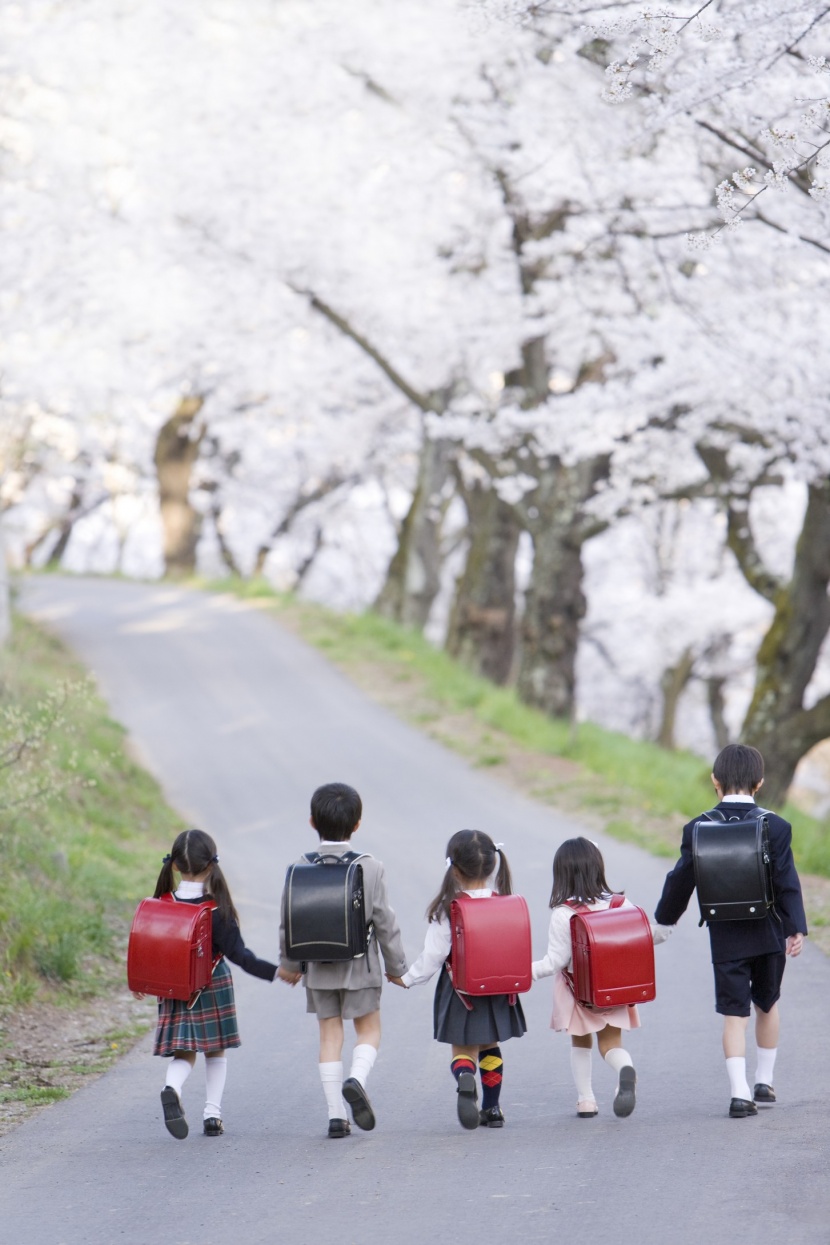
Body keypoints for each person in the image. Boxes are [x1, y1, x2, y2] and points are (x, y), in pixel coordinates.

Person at [654, 743, 807, 1118]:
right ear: (760, 783)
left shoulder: (698, 827)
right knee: (767, 1004)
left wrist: (665, 920)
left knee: (734, 1014)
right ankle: (764, 1081)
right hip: (769, 932)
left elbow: (680, 881)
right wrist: (795, 928)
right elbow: (788, 881)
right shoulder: (777, 826)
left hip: (725, 937)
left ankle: (740, 1093)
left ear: (715, 781)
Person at [277, 782, 407, 1139]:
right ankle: (357, 1078)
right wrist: (397, 968)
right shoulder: (370, 867)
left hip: (318, 970)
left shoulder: (299, 867)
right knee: (369, 1030)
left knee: (329, 1036)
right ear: (358, 824)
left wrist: (289, 965)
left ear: (311, 822)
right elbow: (385, 922)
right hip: (360, 968)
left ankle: (336, 1115)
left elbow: (289, 920)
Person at [146, 828, 278, 1140]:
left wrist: (142, 983)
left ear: (175, 866)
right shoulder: (217, 910)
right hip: (211, 986)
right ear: (212, 865)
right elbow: (240, 956)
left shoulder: (160, 904)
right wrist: (275, 972)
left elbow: (149, 949)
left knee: (184, 1053)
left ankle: (172, 1087)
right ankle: (212, 1115)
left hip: (174, 988)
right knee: (215, 1052)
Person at [532, 836, 670, 1119]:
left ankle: (586, 1101)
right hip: (615, 989)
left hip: (579, 993)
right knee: (610, 1045)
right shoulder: (620, 903)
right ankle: (624, 1070)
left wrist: (525, 973)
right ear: (598, 868)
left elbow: (555, 961)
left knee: (581, 1043)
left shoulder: (564, 914)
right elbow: (644, 935)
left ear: (562, 874)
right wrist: (666, 925)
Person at [401, 829, 526, 1130]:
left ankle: (465, 1076)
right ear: (494, 864)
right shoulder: (507, 904)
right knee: (491, 1045)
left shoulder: (449, 910)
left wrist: (407, 979)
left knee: (462, 1050)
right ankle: (492, 1108)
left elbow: (432, 956)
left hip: (461, 992)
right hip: (498, 988)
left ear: (453, 868)